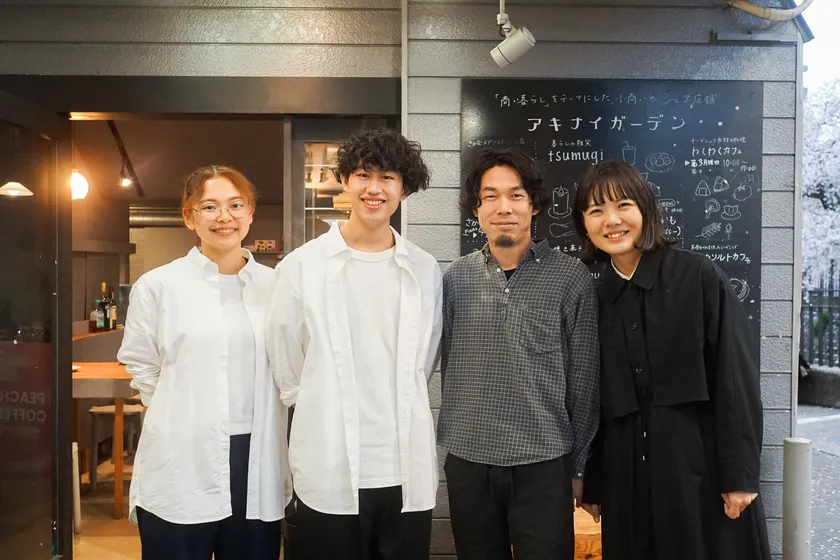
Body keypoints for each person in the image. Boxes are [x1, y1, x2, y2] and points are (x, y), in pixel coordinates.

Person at [574, 160, 770, 560]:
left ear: (646, 209)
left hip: (698, 468)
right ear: (584, 224)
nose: (611, 220)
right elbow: (593, 400)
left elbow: (734, 377)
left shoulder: (697, 276)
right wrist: (594, 481)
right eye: (596, 210)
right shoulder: (594, 296)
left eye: (623, 205)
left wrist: (740, 475)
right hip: (626, 477)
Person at [267, 128, 442, 560]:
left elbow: (424, 361)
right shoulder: (302, 267)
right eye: (364, 175)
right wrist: (319, 402)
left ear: (404, 189)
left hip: (403, 467)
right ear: (345, 181)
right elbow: (287, 365)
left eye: (388, 177)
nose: (374, 188)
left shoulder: (424, 269)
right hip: (328, 465)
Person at [117, 165, 291, 560]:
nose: (224, 217)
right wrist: (183, 412)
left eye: (236, 205)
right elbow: (142, 365)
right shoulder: (159, 286)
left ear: (250, 213)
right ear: (189, 217)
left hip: (257, 455)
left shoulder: (276, 286)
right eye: (209, 206)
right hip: (183, 454)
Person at [439, 147, 600, 560]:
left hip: (544, 463)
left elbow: (584, 382)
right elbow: (448, 363)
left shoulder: (571, 278)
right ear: (476, 208)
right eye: (490, 196)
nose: (504, 207)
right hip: (469, 460)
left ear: (534, 205)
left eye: (516, 195)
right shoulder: (455, 279)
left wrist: (580, 467)